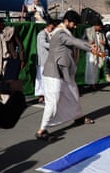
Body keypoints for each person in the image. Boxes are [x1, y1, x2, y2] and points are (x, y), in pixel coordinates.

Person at [35, 11, 99, 141]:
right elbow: (74, 41)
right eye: (74, 24)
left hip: (64, 73)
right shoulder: (60, 33)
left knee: (73, 95)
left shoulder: (64, 32)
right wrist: (90, 48)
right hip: (54, 73)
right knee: (53, 103)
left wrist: (90, 45)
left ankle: (78, 117)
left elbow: (75, 40)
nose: (75, 27)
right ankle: (42, 130)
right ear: (66, 21)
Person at [0, 16, 25, 96]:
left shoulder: (11, 31)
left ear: (1, 24)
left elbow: (20, 46)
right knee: (1, 84)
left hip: (11, 60)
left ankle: (13, 101)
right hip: (0, 61)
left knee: (11, 83)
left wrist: (22, 60)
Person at [35, 20, 57, 104]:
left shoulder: (50, 34)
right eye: (52, 28)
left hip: (48, 60)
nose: (52, 29)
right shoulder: (42, 34)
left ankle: (46, 95)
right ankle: (41, 96)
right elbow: (43, 43)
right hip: (43, 60)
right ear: (48, 26)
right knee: (41, 78)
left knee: (47, 78)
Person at [83, 17, 106, 90]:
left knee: (96, 68)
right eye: (99, 26)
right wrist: (88, 42)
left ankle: (94, 82)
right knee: (90, 68)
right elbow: (82, 40)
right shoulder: (87, 30)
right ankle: (90, 83)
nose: (100, 28)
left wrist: (103, 42)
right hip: (90, 52)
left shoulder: (101, 32)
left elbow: (104, 41)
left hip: (99, 51)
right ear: (96, 25)